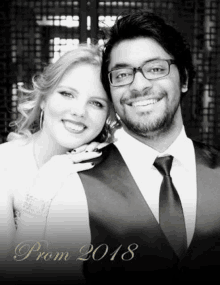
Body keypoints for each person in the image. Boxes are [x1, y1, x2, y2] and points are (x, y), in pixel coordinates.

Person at [42, 10, 219, 285]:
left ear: (183, 79)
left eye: (156, 69)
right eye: (122, 74)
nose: (139, 85)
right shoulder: (76, 185)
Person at [0, 44, 117, 284]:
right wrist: (43, 188)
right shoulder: (4, 164)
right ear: (43, 99)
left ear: (107, 117)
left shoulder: (108, 170)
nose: (79, 111)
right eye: (67, 94)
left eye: (97, 103)